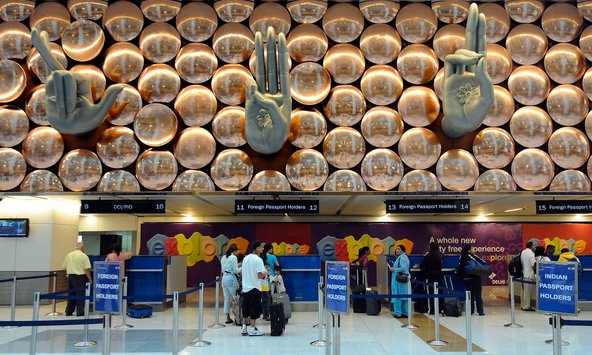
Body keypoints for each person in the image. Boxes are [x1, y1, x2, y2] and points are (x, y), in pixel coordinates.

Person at [240, 240, 268, 336]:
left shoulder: (246, 258)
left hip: (245, 287)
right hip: (255, 287)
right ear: (256, 248)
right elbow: (260, 276)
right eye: (261, 247)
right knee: (254, 308)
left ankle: (244, 328)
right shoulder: (258, 260)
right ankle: (252, 329)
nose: (263, 249)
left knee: (245, 308)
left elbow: (242, 272)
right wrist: (266, 272)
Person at [63, 242, 92, 316]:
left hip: (70, 277)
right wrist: (90, 278)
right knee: (80, 295)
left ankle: (68, 311)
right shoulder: (83, 256)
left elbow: (65, 266)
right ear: (82, 248)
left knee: (71, 294)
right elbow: (86, 269)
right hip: (80, 277)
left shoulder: (69, 255)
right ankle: (80, 311)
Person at [458, 244, 486, 316]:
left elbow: (460, 267)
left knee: (470, 295)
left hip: (467, 279)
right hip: (476, 278)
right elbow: (483, 263)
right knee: (478, 295)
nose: (474, 249)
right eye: (473, 248)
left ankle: (470, 311)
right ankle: (480, 311)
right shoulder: (474, 257)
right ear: (469, 250)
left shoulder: (462, 257)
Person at [419, 242, 444, 315]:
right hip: (439, 275)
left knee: (431, 293)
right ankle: (441, 309)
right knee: (440, 292)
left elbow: (422, 265)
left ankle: (432, 310)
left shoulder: (429, 255)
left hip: (430, 275)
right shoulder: (440, 255)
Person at [221, 244, 241, 325]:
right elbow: (236, 270)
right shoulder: (233, 257)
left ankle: (228, 318)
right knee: (236, 298)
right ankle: (238, 317)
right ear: (234, 251)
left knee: (226, 299)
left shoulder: (223, 257)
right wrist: (242, 267)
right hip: (231, 278)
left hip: (224, 278)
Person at [388, 244, 410, 318]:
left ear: (403, 250)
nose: (397, 250)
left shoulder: (402, 258)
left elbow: (404, 268)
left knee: (397, 297)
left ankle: (398, 313)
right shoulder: (404, 257)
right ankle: (405, 312)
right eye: (396, 249)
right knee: (404, 297)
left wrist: (394, 269)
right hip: (403, 281)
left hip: (398, 281)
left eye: (399, 249)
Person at [520, 241, 536, 311]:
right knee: (528, 292)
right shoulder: (531, 254)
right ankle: (526, 306)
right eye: (534, 245)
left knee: (523, 291)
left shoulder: (523, 252)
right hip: (529, 274)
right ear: (531, 246)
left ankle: (522, 305)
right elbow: (533, 265)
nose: (534, 247)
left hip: (523, 273)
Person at [260, 244, 273, 321]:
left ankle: (265, 314)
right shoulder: (265, 264)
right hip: (265, 281)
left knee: (264, 298)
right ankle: (267, 315)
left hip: (261, 281)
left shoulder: (260, 259)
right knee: (267, 298)